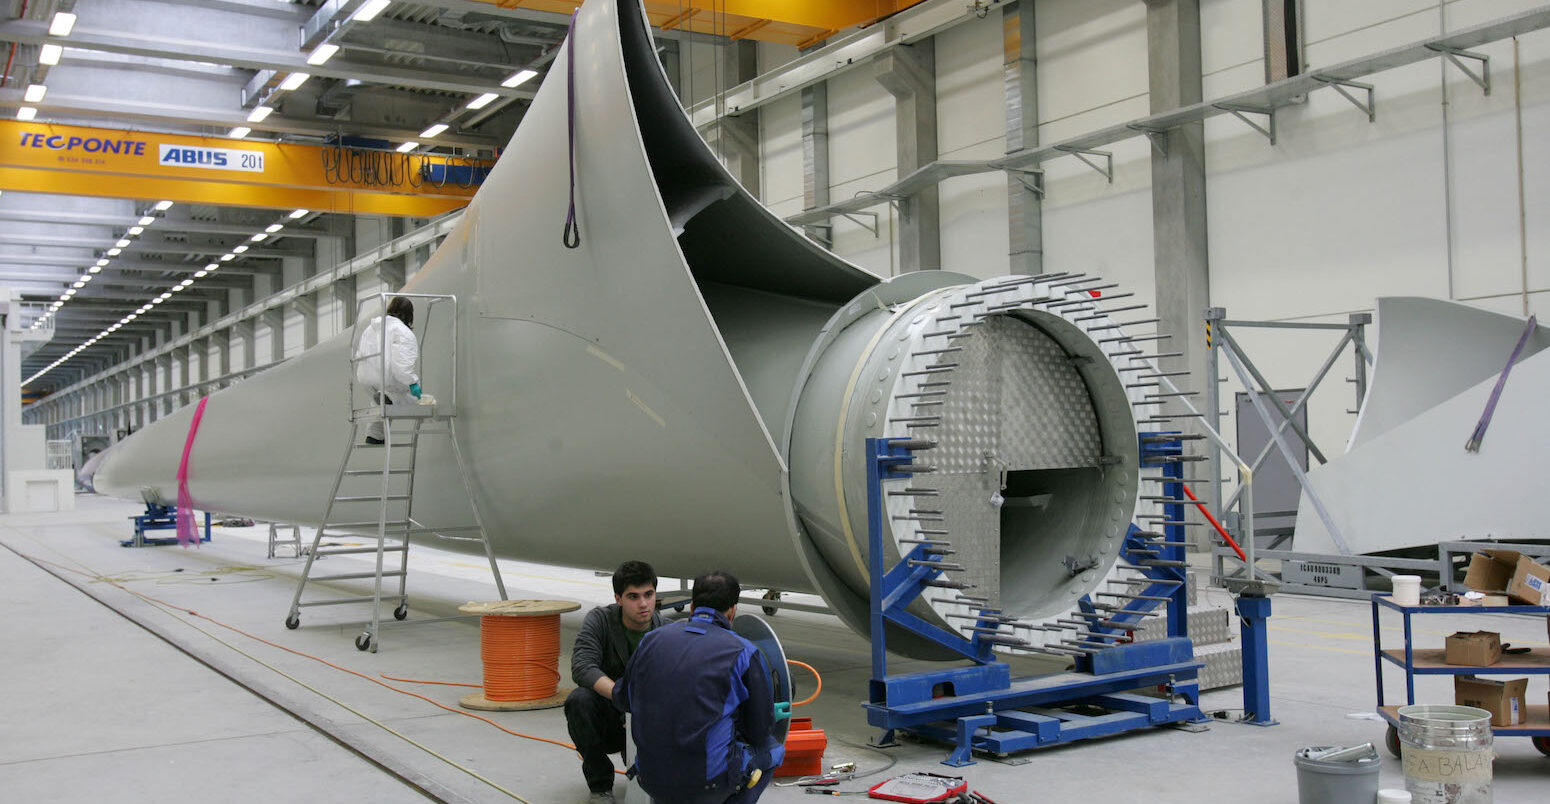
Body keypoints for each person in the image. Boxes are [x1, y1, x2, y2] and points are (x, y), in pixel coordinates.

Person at [614, 570, 784, 804]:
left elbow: (623, 700)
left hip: (649, 779)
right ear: (733, 611)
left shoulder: (650, 641)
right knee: (773, 750)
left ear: (692, 606)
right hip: (708, 784)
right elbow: (760, 730)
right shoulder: (744, 652)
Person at [565, 560, 663, 804]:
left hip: (649, 721)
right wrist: (622, 696)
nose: (643, 604)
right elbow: (582, 666)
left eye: (648, 595)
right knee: (579, 701)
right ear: (618, 598)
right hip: (610, 716)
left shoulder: (665, 631)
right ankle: (600, 786)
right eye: (633, 596)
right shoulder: (600, 620)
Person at [352, 296, 420, 445]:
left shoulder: (371, 327)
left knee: (380, 401)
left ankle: (374, 436)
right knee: (407, 398)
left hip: (366, 377)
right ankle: (390, 398)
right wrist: (413, 383)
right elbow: (402, 365)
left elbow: (359, 354)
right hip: (387, 379)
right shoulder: (403, 332)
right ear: (409, 315)